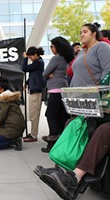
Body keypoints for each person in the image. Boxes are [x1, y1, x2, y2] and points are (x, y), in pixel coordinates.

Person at [34, 23, 110, 199]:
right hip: (83, 101)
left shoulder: (102, 47)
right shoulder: (82, 53)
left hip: (98, 100)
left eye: (85, 31)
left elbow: (107, 73)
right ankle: (60, 170)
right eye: (80, 31)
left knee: (99, 130)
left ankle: (73, 178)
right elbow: (72, 74)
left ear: (94, 33)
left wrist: (99, 95)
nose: (81, 34)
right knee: (71, 124)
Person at [41, 36, 75, 152]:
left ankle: (52, 143)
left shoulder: (56, 58)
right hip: (64, 89)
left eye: (52, 46)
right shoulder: (66, 58)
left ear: (57, 47)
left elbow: (44, 73)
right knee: (62, 117)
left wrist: (49, 74)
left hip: (55, 90)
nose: (51, 48)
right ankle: (61, 143)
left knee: (51, 116)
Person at [22, 46, 45, 142]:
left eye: (31, 57)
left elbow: (25, 68)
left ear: (36, 54)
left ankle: (34, 135)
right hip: (33, 88)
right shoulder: (37, 62)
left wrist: (25, 58)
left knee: (34, 114)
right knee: (32, 113)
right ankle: (32, 133)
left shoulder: (38, 62)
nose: (30, 59)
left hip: (36, 89)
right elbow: (33, 75)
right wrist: (27, 83)